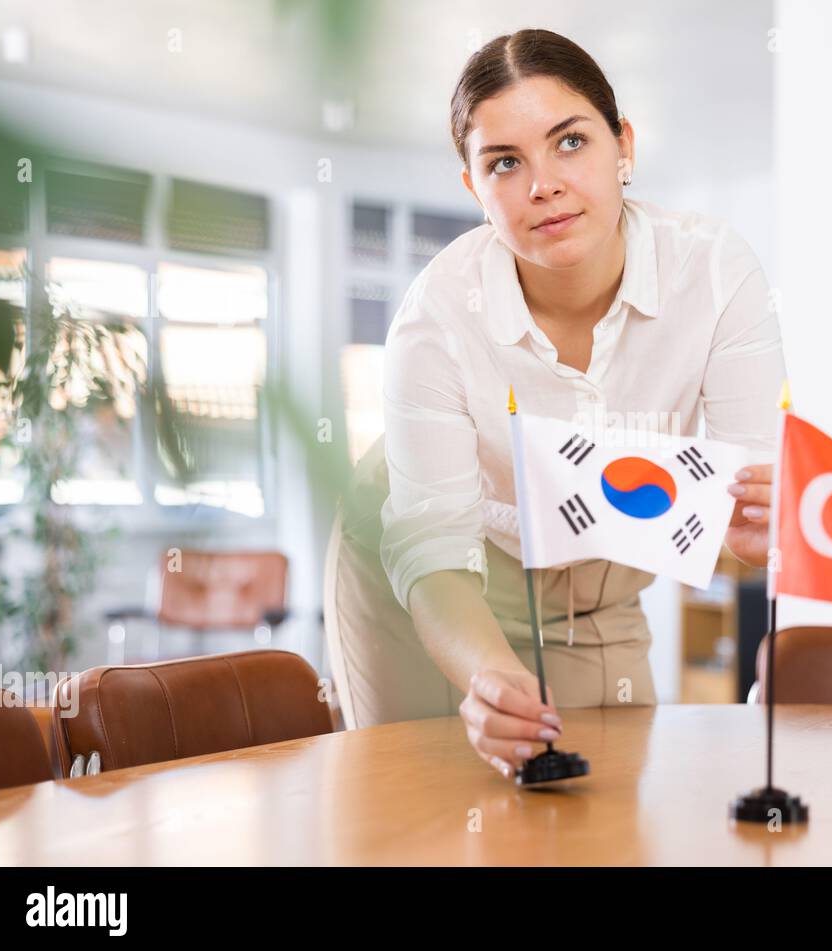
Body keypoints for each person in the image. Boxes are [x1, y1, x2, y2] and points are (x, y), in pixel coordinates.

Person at [324, 28, 786, 780]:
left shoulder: (716, 272)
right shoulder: (435, 319)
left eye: (569, 142)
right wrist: (488, 675)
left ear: (622, 145)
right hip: (439, 566)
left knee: (600, 815)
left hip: (604, 577)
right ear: (475, 188)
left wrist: (761, 525)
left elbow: (746, 502)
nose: (543, 183)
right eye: (505, 162)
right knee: (427, 804)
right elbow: (432, 547)